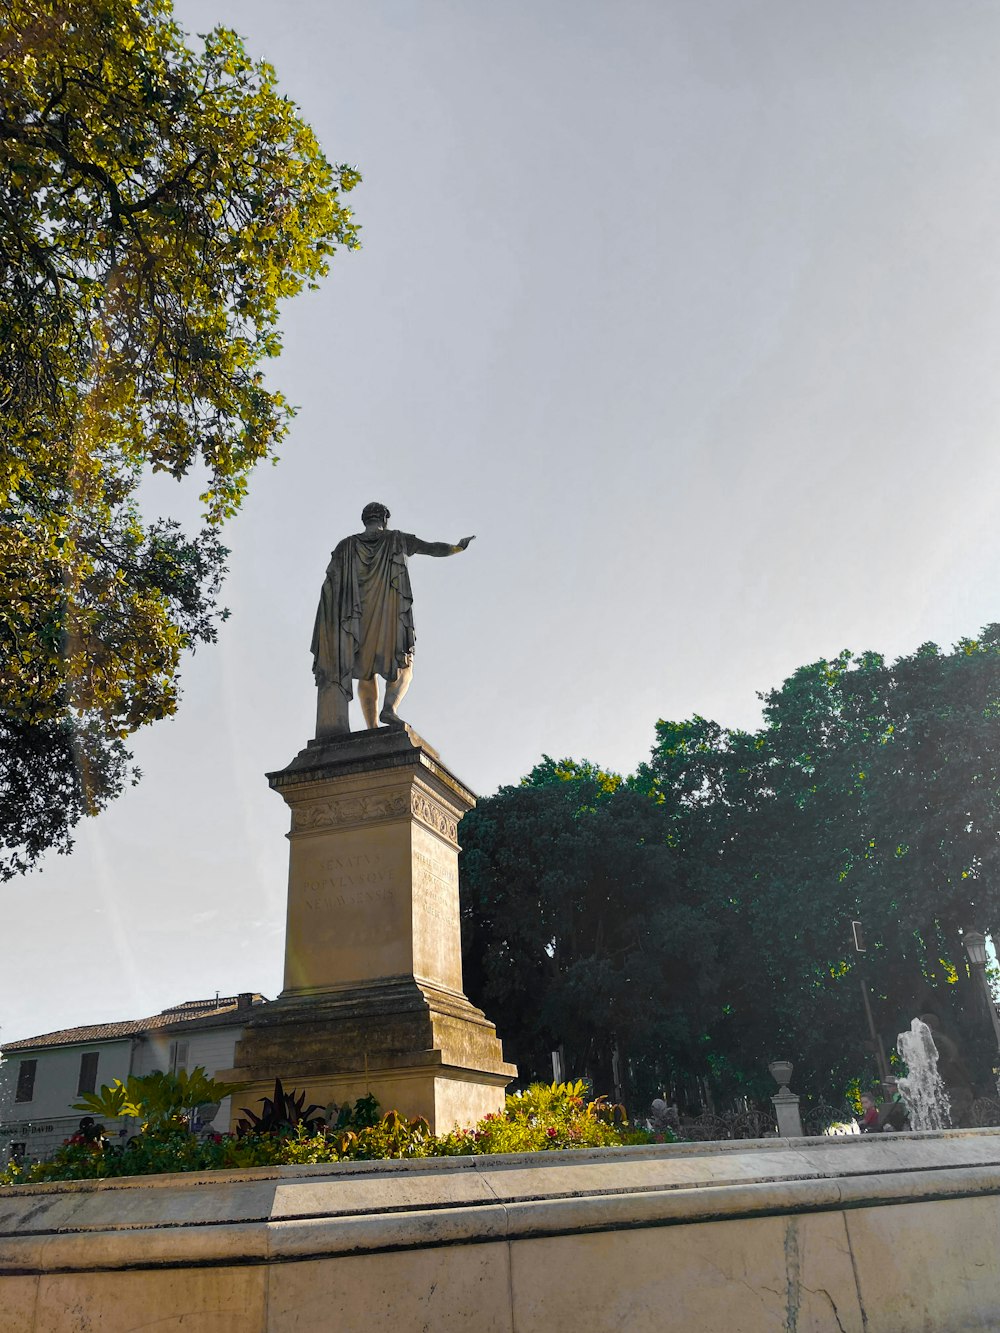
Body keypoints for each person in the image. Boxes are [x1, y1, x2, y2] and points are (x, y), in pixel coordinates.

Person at [311, 503, 475, 738]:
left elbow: (329, 586)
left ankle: (372, 728)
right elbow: (432, 548)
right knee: (404, 665)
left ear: (364, 519)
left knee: (365, 672)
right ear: (385, 519)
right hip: (389, 615)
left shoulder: (345, 546)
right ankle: (389, 708)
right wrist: (458, 547)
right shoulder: (397, 539)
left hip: (354, 621)